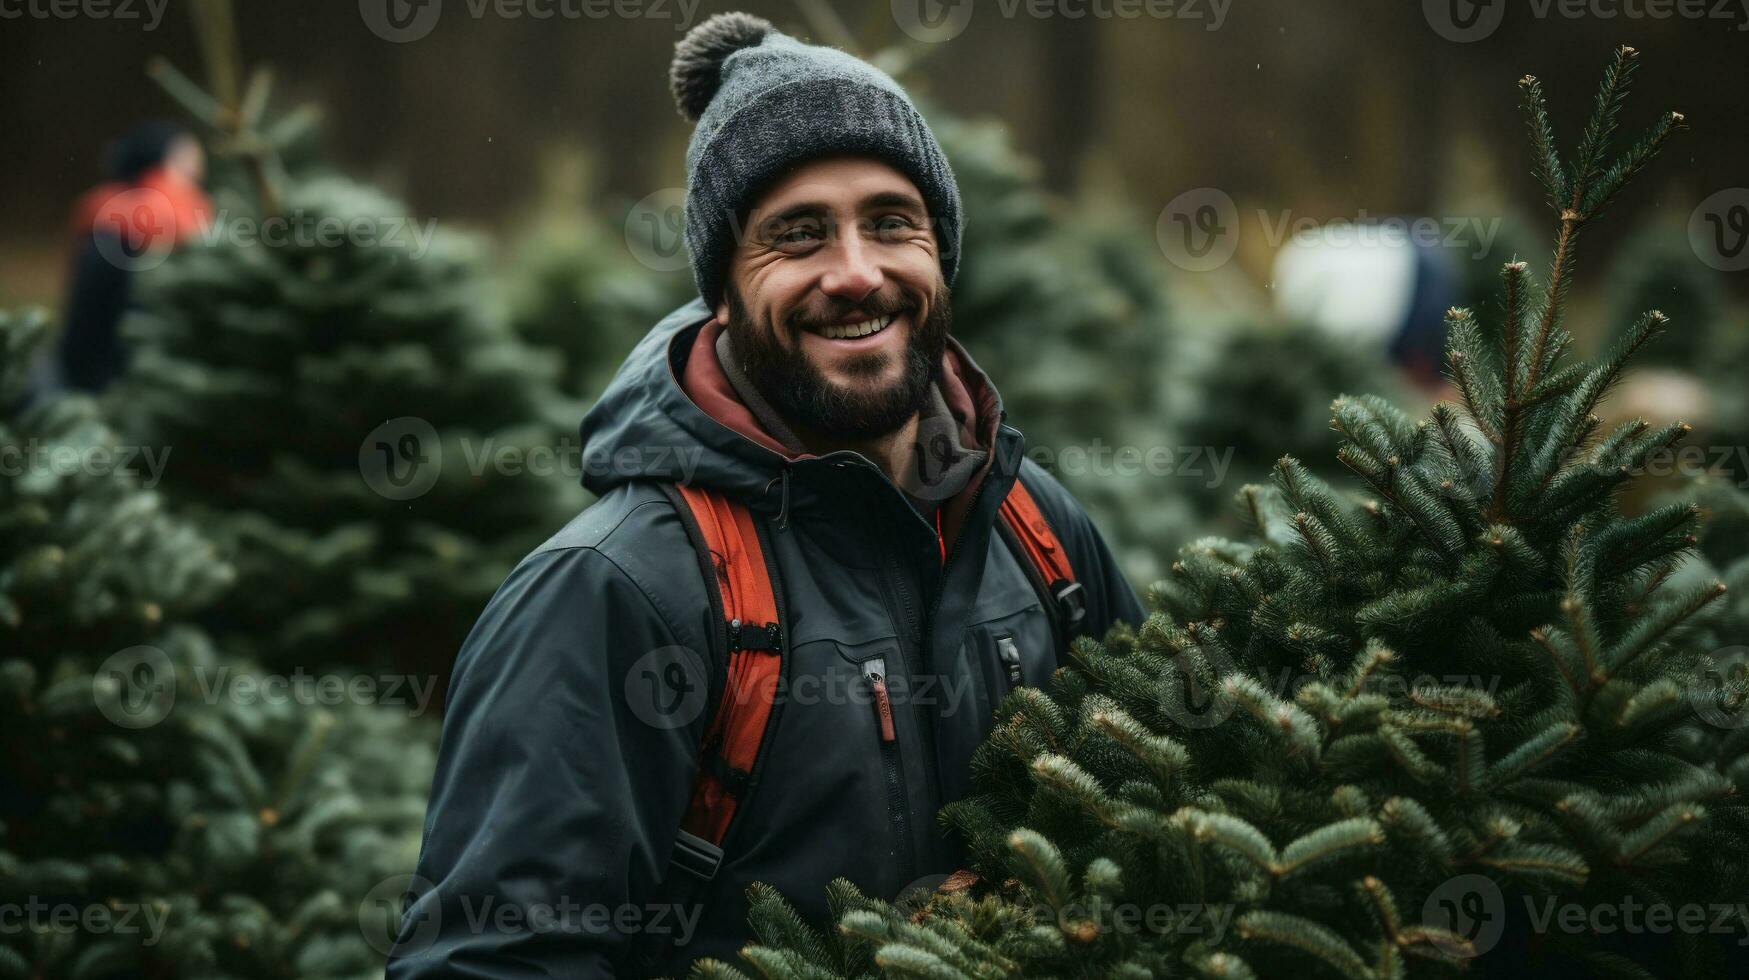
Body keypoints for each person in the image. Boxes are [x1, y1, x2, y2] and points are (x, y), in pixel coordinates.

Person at [389, 13, 1146, 976]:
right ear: (723, 290)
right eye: (797, 235)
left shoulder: (1035, 527)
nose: (857, 272)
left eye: (891, 222)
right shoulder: (614, 590)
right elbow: (495, 961)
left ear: (939, 251)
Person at [54, 120, 211, 393]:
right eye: (186, 161)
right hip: (124, 379)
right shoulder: (157, 222)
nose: (198, 171)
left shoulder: (101, 213)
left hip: (90, 371)